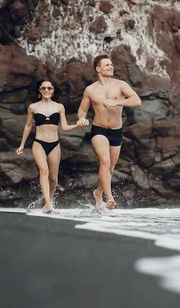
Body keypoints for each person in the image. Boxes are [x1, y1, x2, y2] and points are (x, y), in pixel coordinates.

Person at [76, 54, 142, 212]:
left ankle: (98, 192)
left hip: (116, 131)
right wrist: (82, 119)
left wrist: (117, 101)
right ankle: (109, 197)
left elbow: (137, 100)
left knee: (110, 168)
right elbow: (82, 110)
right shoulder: (90, 90)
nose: (111, 67)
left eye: (111, 64)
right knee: (104, 162)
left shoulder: (120, 85)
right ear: (98, 69)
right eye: (107, 65)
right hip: (99, 130)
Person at [16, 79, 88, 213]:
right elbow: (28, 126)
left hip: (55, 145)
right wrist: (21, 145)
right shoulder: (33, 107)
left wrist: (78, 124)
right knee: (44, 171)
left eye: (49, 88)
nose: (46, 91)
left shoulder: (59, 107)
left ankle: (47, 201)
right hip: (39, 143)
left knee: (53, 178)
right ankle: (48, 204)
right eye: (43, 88)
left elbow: (65, 127)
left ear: (53, 90)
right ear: (40, 90)